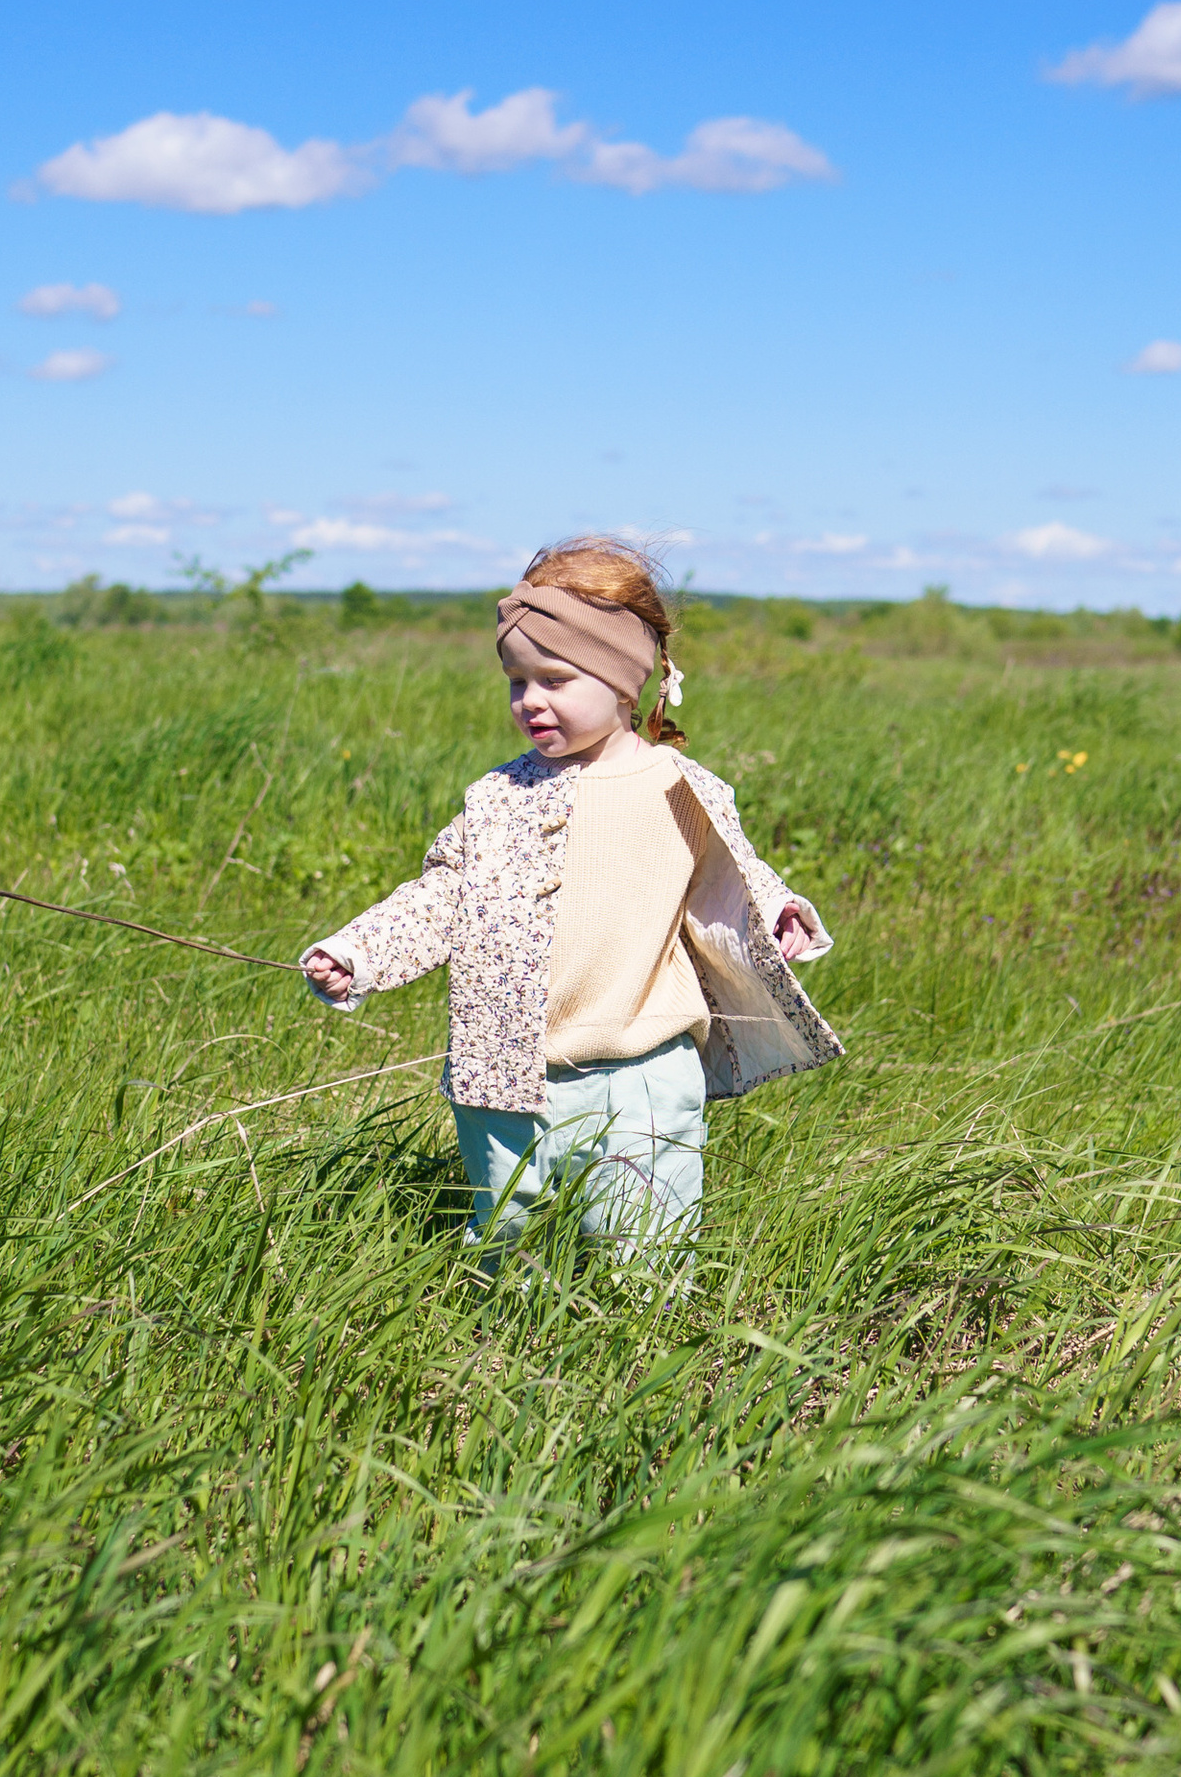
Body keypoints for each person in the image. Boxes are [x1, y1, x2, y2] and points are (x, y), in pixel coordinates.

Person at [302, 538, 839, 1268]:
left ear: (624, 683)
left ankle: (642, 1334)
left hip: (641, 1070)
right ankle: (500, 1330)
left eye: (555, 679)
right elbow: (441, 893)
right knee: (507, 1237)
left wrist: (776, 915)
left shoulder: (678, 789)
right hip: (502, 1070)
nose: (530, 701)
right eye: (516, 681)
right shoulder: (500, 795)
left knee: (644, 1246)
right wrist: (359, 953)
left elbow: (731, 879)